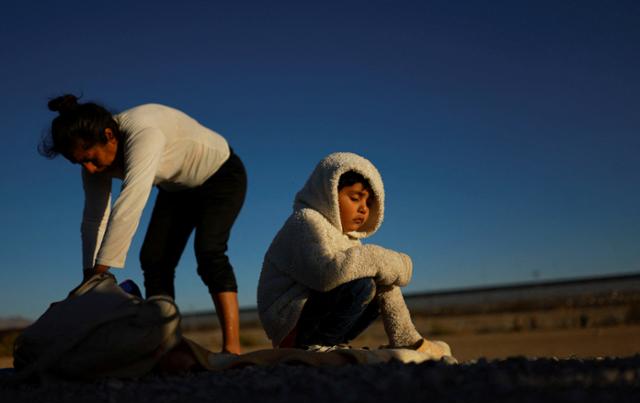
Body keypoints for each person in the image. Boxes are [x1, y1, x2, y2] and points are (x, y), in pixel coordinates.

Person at [41, 95, 247, 354]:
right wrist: (88, 277)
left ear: (109, 135)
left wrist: (99, 273)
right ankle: (167, 347)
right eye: (80, 162)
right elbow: (95, 217)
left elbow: (131, 202)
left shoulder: (142, 132)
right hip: (176, 188)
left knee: (209, 252)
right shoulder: (92, 158)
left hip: (222, 175)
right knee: (154, 259)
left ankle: (233, 347)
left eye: (91, 159)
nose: (90, 169)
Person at [257, 152, 452, 358]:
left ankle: (406, 339)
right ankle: (312, 345)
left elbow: (362, 270)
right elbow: (325, 275)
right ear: (328, 193)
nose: (363, 209)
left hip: (311, 316)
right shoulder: (305, 222)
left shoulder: (347, 238)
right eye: (355, 198)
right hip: (288, 322)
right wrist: (377, 256)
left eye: (368, 202)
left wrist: (382, 266)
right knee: (363, 283)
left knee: (378, 280)